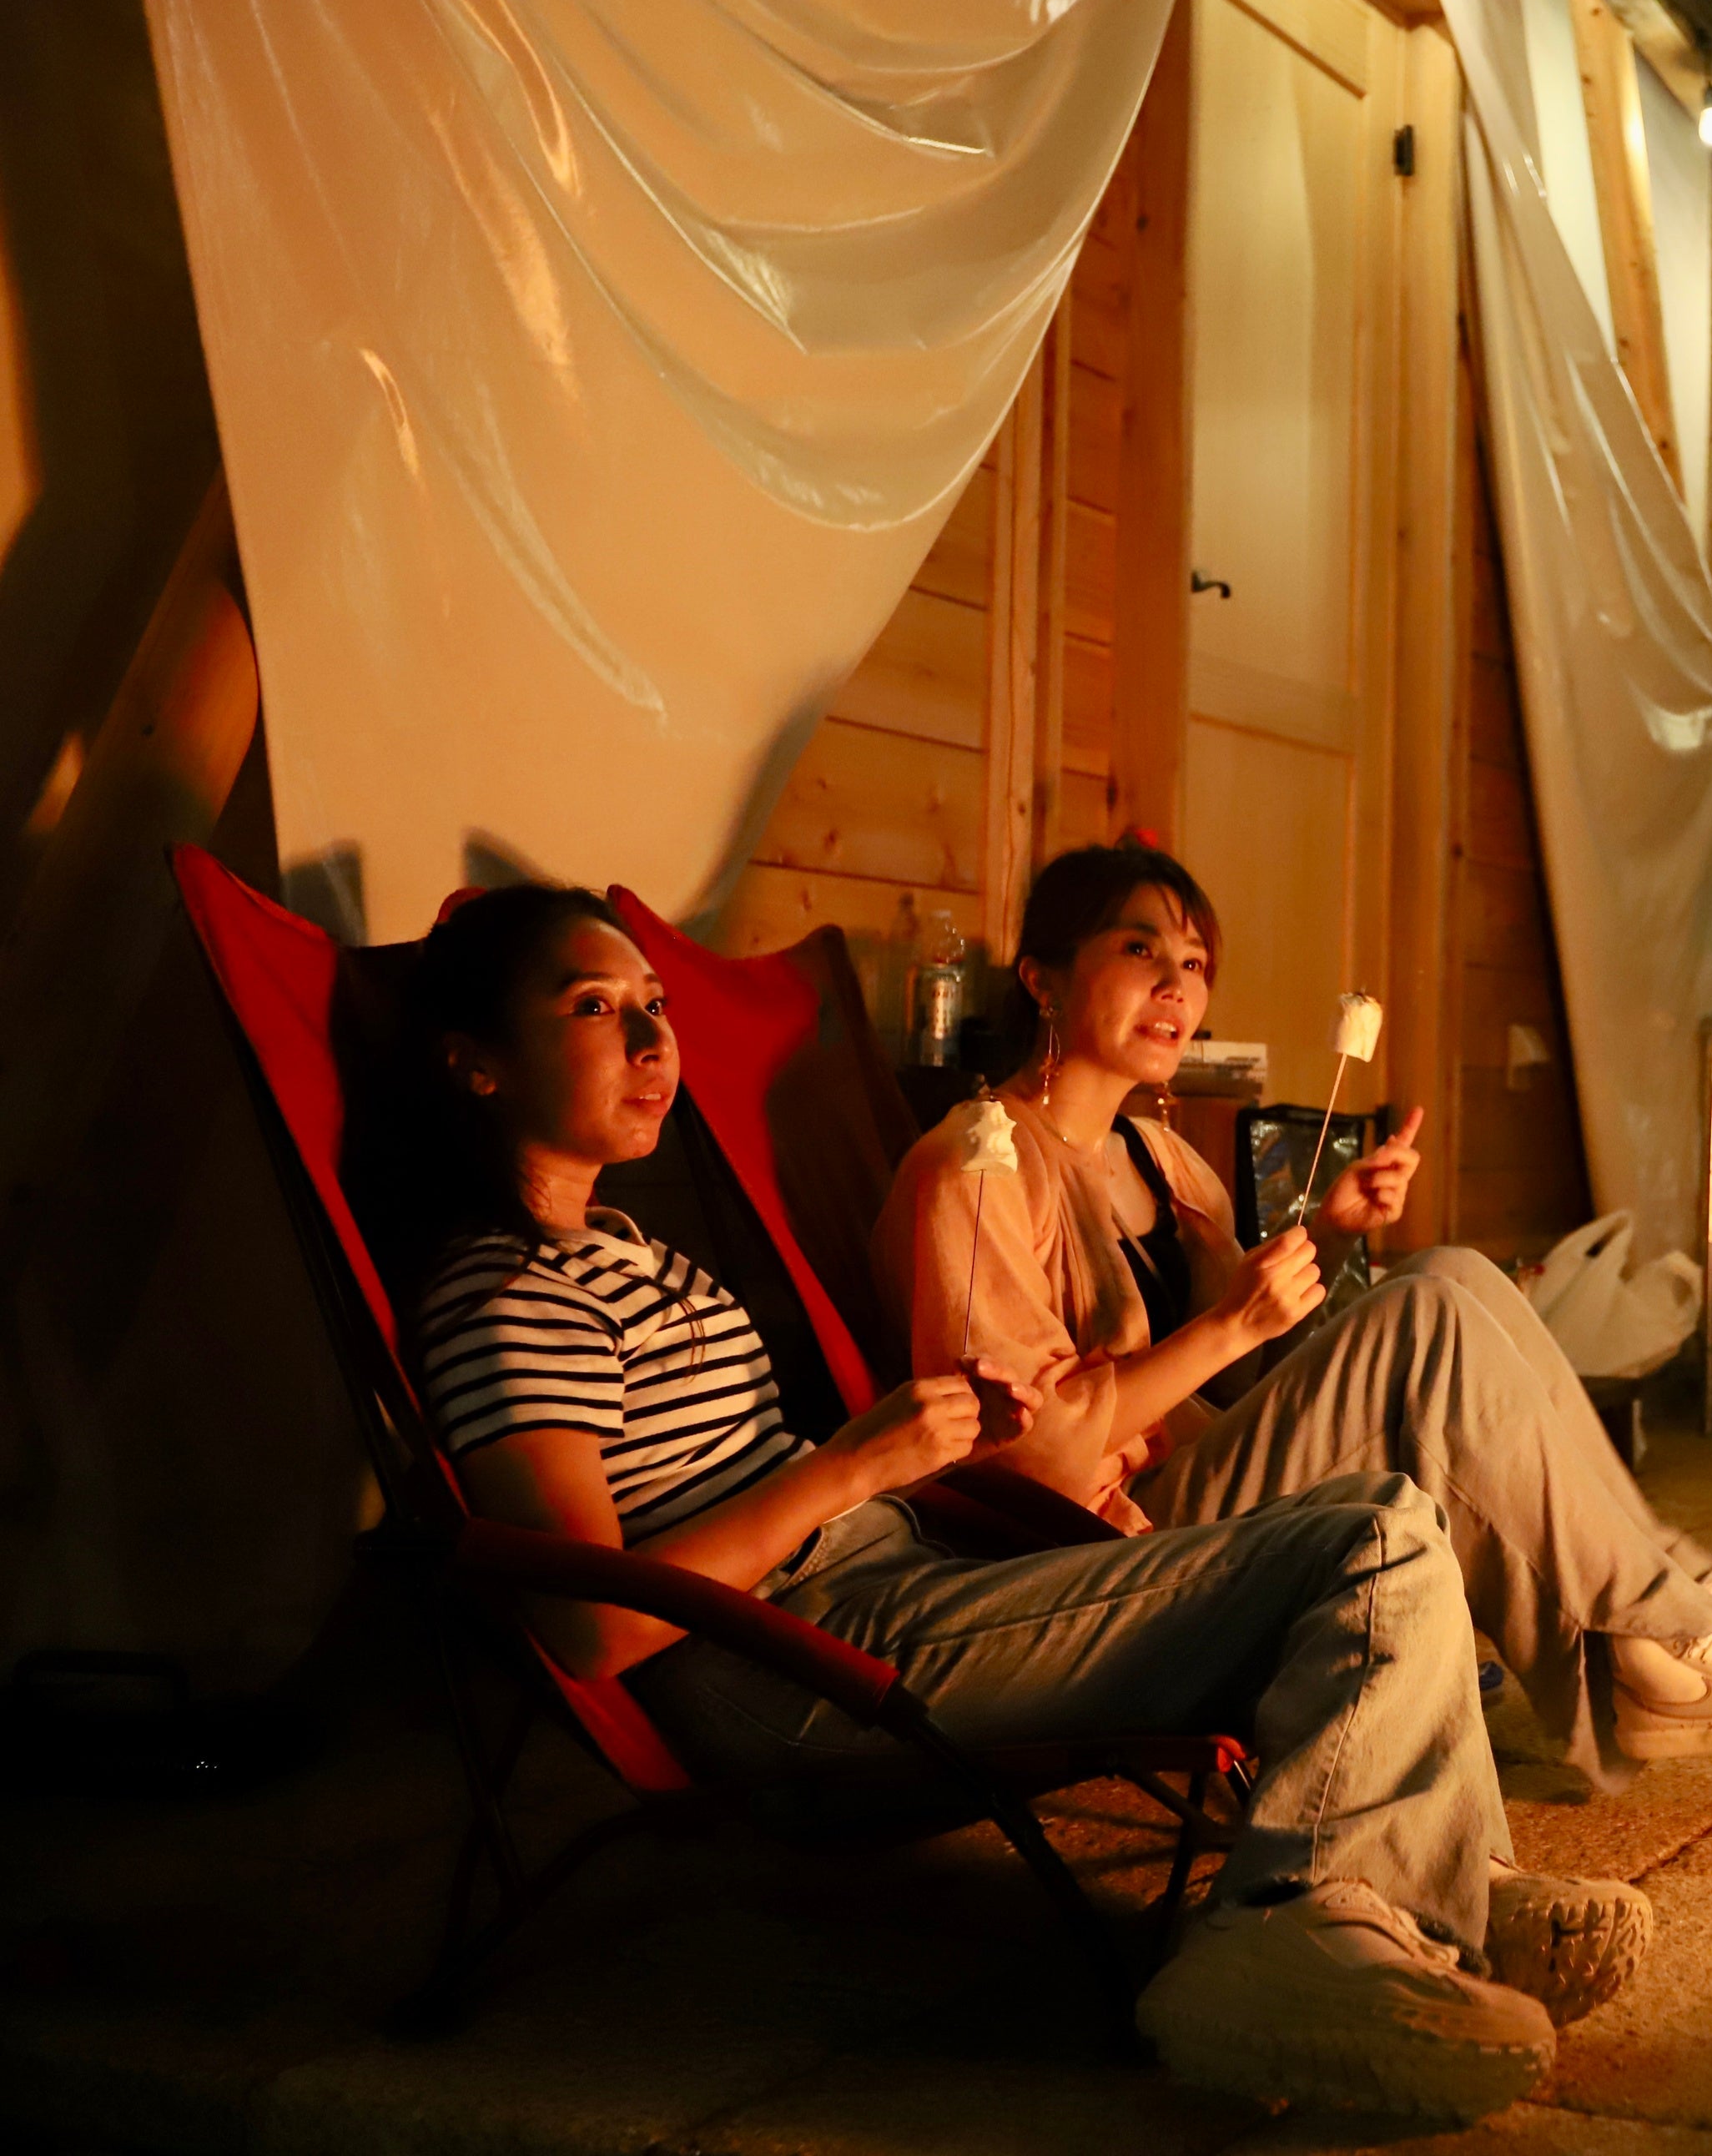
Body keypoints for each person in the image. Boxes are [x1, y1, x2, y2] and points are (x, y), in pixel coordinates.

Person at [401, 883, 1649, 2124]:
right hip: (798, 1663)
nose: (651, 1038)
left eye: (656, 1004)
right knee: (1368, 1540)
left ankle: (1442, 1891)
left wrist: (929, 1448)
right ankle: (1290, 1934)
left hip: (889, 1581)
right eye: (594, 1007)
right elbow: (590, 1622)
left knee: (1389, 1523)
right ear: (478, 1065)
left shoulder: (634, 1254)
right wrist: (855, 1466)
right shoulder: (508, 1299)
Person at [874, 844, 1712, 1791]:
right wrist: (1230, 1326)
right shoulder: (976, 1165)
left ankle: (1678, 1598)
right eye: (1141, 950)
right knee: (1429, 1311)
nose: (1177, 986)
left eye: (1195, 962)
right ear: (1042, 977)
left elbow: (1253, 1380)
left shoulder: (1162, 1160)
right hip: (1104, 1551)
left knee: (1452, 1272)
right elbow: (1028, 1454)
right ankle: (1662, 1637)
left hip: (1203, 1472)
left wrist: (1331, 1233)